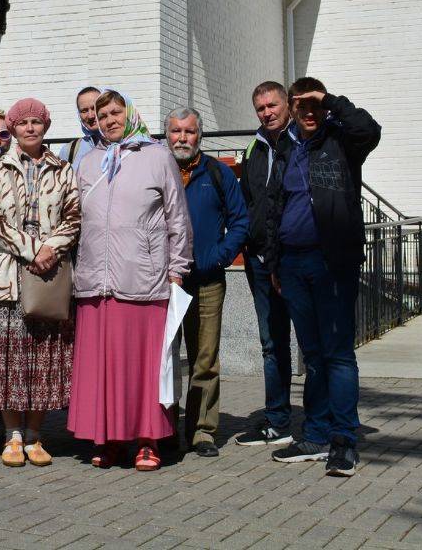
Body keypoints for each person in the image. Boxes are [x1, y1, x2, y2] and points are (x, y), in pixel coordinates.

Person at [68, 90, 191, 471]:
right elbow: (73, 219)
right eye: (101, 115)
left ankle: (147, 441)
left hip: (144, 280)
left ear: (130, 113)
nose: (108, 120)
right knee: (103, 369)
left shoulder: (157, 155)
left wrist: (177, 269)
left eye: (115, 112)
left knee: (144, 368)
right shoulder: (87, 162)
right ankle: (107, 440)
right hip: (95, 282)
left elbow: (177, 217)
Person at [264, 78, 381, 478]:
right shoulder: (286, 147)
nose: (309, 114)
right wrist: (275, 264)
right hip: (293, 266)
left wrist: (330, 101)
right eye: (303, 107)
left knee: (338, 355)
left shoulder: (342, 141)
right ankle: (315, 435)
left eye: (315, 107)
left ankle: (344, 440)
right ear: (293, 110)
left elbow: (370, 128)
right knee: (312, 356)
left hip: (331, 263)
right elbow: (277, 207)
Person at [0, 97, 80, 467]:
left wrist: (50, 249)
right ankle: (12, 436)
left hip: (48, 275)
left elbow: (73, 217)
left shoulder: (63, 170)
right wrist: (30, 249)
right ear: (14, 129)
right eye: (23, 123)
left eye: (37, 122)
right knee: (8, 359)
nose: (30, 128)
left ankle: (36, 435)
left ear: (46, 127)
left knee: (42, 357)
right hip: (6, 273)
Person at [165, 107, 249, 458]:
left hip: (207, 281)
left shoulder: (218, 173)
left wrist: (218, 257)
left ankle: (201, 430)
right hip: (165, 283)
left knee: (205, 358)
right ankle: (164, 430)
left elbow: (241, 221)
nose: (182, 138)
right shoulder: (157, 170)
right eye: (175, 132)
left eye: (189, 131)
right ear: (166, 135)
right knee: (166, 359)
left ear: (199, 135)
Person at [235, 80, 297, 448]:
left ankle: (320, 423)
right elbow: (247, 201)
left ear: (287, 104)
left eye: (273, 105)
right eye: (260, 108)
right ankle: (277, 421)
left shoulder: (302, 142)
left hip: (293, 260)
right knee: (271, 344)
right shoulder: (254, 148)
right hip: (258, 261)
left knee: (308, 341)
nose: (267, 113)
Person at [60, 86, 104, 166]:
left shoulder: (123, 145)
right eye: (84, 111)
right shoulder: (69, 151)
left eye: (94, 108)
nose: (90, 116)